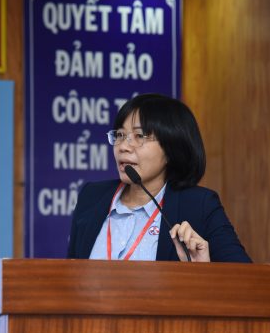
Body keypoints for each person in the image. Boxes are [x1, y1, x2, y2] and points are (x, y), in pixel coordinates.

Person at [67, 93, 251, 263]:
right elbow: (71, 275)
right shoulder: (91, 197)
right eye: (120, 135)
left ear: (171, 148)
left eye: (139, 136)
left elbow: (246, 280)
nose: (123, 146)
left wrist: (202, 272)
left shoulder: (199, 206)